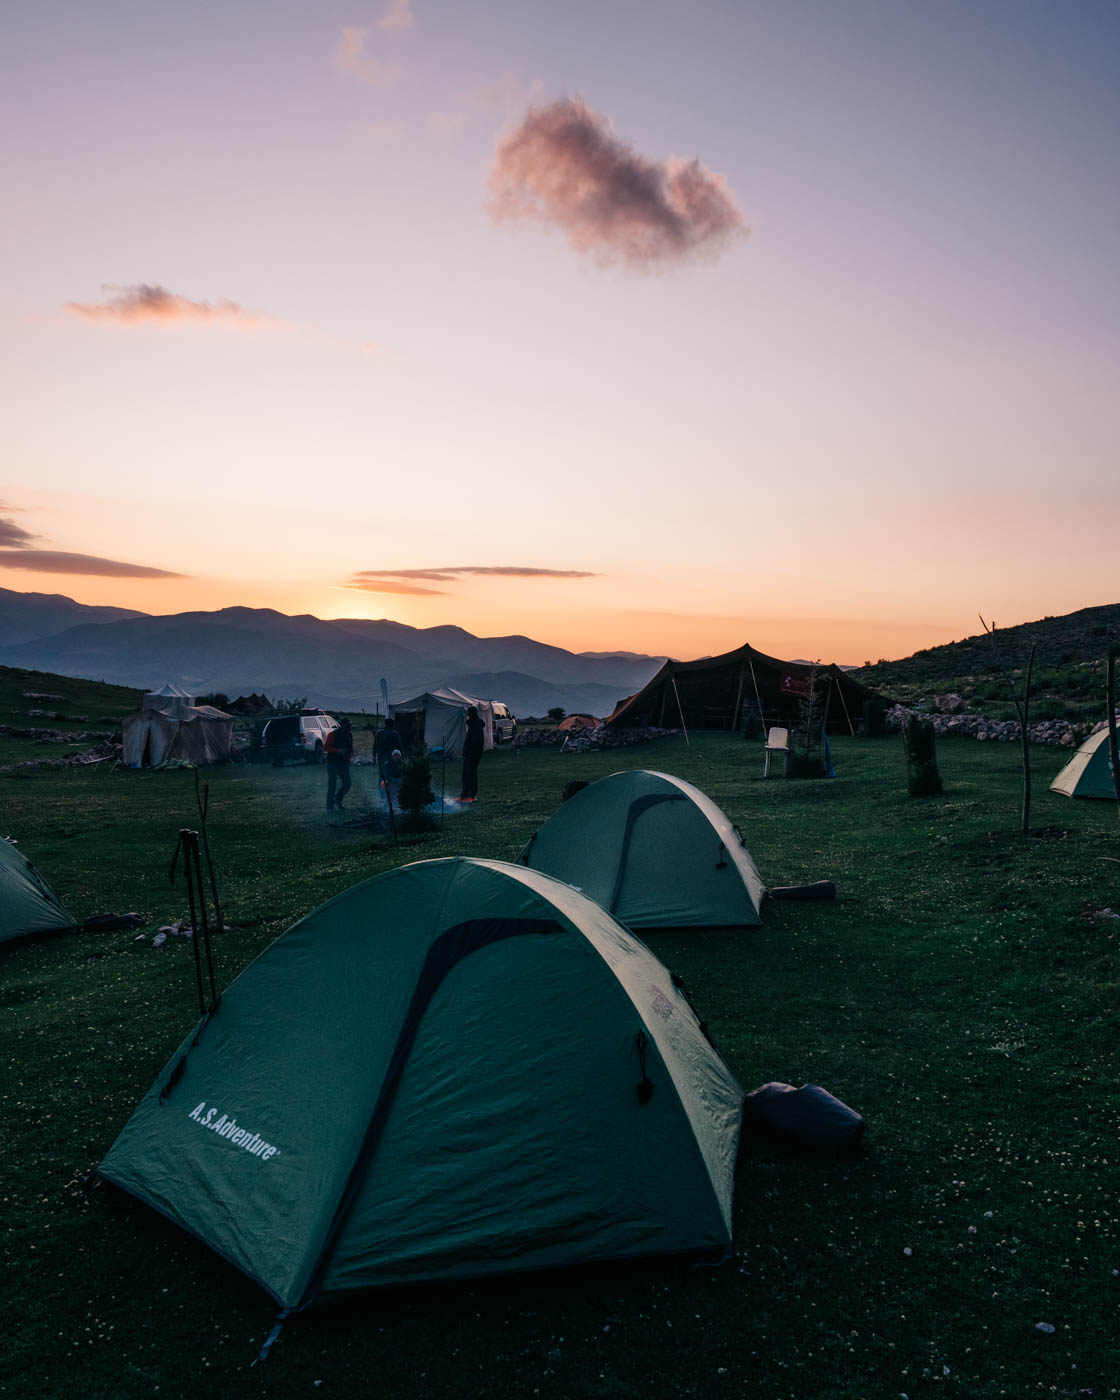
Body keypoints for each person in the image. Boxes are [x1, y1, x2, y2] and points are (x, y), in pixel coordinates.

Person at [324, 717, 353, 811]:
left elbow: (351, 748)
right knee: (332, 785)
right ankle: (329, 807)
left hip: (344, 763)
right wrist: (338, 750)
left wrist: (349, 759)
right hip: (332, 762)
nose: (350, 728)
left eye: (350, 726)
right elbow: (326, 747)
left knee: (347, 784)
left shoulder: (349, 735)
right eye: (348, 726)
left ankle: (338, 799)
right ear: (343, 726)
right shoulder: (332, 734)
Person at [459, 705, 485, 802]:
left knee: (471, 774)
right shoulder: (473, 725)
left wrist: (470, 752)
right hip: (469, 754)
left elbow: (476, 743)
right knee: (466, 774)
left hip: (473, 755)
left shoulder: (476, 726)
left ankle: (471, 795)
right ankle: (464, 794)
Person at [374, 714, 404, 786]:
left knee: (381, 774)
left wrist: (374, 755)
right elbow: (400, 746)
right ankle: (389, 788)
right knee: (390, 774)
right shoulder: (395, 734)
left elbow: (375, 746)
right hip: (390, 756)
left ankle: (382, 789)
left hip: (380, 756)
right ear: (392, 725)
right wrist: (402, 756)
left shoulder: (379, 733)